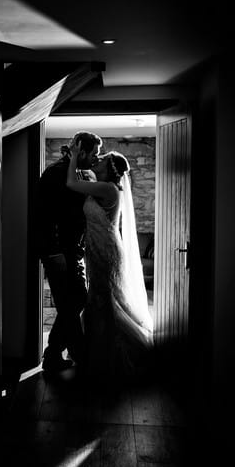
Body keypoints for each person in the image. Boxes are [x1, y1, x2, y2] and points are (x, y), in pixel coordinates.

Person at [65, 144, 154, 386]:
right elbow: (83, 178)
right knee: (99, 298)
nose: (98, 159)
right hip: (98, 247)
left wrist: (74, 156)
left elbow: (72, 183)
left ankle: (108, 358)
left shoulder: (108, 189)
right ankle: (96, 353)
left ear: (110, 169)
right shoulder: (104, 187)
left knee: (104, 299)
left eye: (102, 159)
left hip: (105, 250)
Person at [37, 131, 101, 372]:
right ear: (81, 152)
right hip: (59, 252)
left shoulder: (75, 172)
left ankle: (54, 353)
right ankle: (77, 354)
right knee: (71, 301)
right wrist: (54, 253)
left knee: (73, 301)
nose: (96, 158)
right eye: (93, 153)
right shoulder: (56, 173)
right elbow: (45, 216)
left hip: (73, 251)